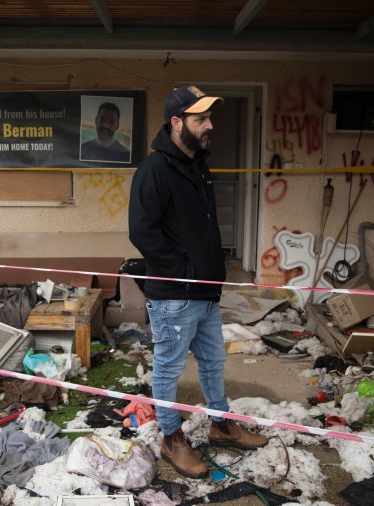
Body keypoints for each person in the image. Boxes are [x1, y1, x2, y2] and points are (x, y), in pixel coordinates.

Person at [128, 85, 267, 479]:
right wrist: (183, 269)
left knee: (213, 362)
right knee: (169, 370)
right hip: (174, 294)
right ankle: (172, 439)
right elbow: (143, 231)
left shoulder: (198, 166)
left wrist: (210, 270)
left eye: (209, 118)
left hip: (205, 292)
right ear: (176, 123)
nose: (209, 126)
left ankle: (221, 425)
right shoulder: (154, 170)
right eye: (200, 119)